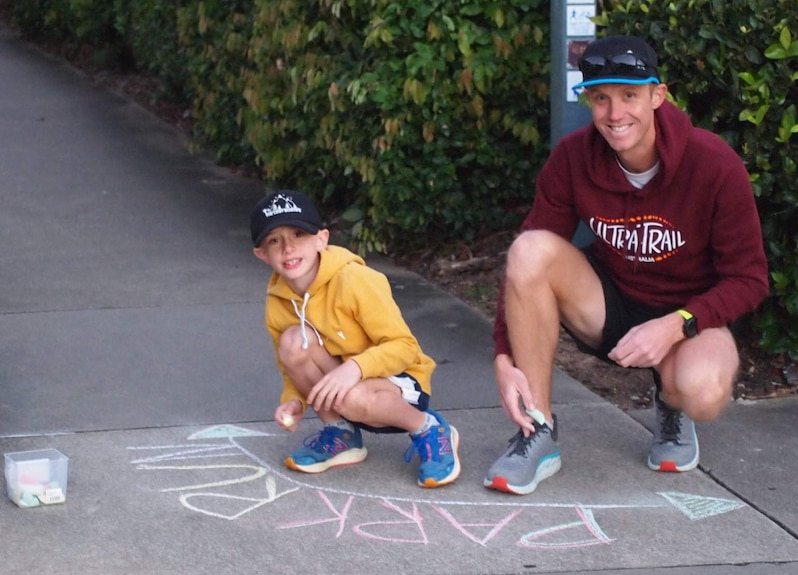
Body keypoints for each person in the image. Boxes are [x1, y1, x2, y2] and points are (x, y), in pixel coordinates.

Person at [484, 35, 769, 495]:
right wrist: (503, 354)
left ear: (659, 95)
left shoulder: (714, 163)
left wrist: (678, 325)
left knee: (704, 391)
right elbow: (525, 264)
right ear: (589, 101)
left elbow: (750, 279)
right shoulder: (574, 158)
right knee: (530, 248)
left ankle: (671, 405)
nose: (615, 114)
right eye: (601, 98)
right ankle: (537, 430)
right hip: (608, 306)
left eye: (629, 95)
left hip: (686, 316)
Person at [250, 190, 460, 488]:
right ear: (262, 254)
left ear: (322, 238)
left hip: (399, 381)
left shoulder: (355, 280)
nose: (288, 247)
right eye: (274, 240)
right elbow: (289, 366)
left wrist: (355, 369)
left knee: (351, 395)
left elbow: (404, 347)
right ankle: (341, 433)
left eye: (299, 233)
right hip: (347, 379)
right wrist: (294, 401)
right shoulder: (279, 299)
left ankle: (429, 429)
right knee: (292, 341)